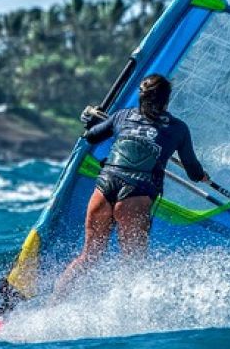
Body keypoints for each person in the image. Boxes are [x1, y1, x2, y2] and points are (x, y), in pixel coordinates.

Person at [52, 74, 207, 297]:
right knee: (133, 264)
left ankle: (52, 306)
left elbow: (91, 136)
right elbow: (193, 171)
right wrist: (202, 176)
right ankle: (125, 315)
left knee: (89, 256)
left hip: (104, 188)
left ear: (141, 98)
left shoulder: (121, 116)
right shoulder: (178, 128)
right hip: (137, 192)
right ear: (166, 100)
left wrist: (89, 120)